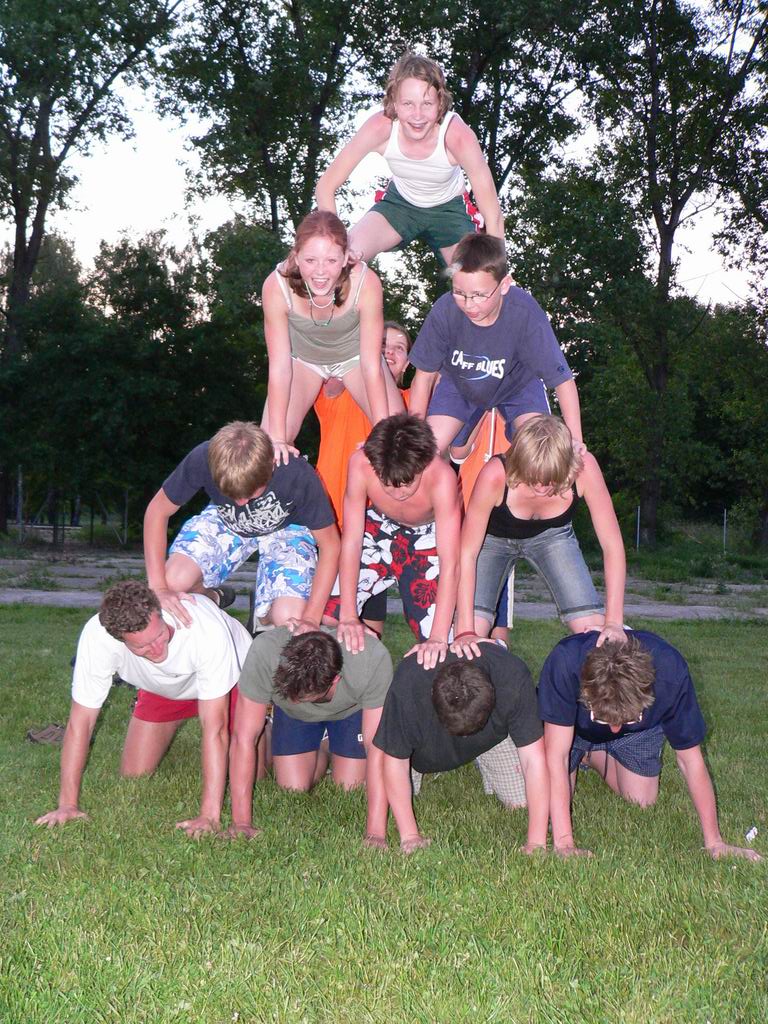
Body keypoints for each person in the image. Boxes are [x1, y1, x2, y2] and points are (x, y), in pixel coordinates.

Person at [35, 580, 253, 837]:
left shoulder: (204, 630)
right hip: (163, 687)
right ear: (119, 640)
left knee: (255, 770)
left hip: (232, 677)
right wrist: (67, 805)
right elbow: (80, 723)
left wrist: (209, 816)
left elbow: (215, 729)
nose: (158, 649)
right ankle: (209, 595)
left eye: (159, 635)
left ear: (160, 612)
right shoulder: (97, 638)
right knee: (133, 774)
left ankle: (209, 597)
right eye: (142, 646)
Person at [538, 630, 762, 861]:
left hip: (634, 734)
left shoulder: (670, 673)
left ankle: (592, 756)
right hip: (572, 732)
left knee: (642, 799)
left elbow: (690, 760)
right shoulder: (565, 662)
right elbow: (557, 756)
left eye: (626, 719)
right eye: (604, 720)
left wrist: (714, 842)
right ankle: (581, 752)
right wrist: (564, 844)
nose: (614, 728)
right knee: (548, 802)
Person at [143, 421, 340, 632]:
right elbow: (157, 511)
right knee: (173, 581)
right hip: (226, 520)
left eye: (250, 494)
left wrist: (311, 618)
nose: (241, 502)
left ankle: (264, 614)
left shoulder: (297, 474)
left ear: (271, 466)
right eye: (232, 494)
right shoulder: (203, 457)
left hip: (287, 529)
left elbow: (331, 546)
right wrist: (158, 588)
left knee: (289, 618)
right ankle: (212, 596)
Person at [454, 415, 626, 653]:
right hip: (492, 541)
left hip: (552, 537)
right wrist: (465, 632)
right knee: (470, 640)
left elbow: (612, 545)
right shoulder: (495, 474)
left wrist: (614, 622)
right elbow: (468, 553)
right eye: (533, 478)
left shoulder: (585, 468)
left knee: (596, 635)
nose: (542, 488)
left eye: (552, 480)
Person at [315, 52, 504, 267]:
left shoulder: (458, 137)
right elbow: (325, 187)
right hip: (399, 205)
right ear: (394, 103)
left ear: (440, 103)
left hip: (450, 210)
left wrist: (498, 269)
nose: (417, 115)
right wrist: (334, 245)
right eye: (407, 104)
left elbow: (493, 215)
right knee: (341, 262)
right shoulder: (380, 128)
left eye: (427, 103)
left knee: (475, 275)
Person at [407, 233, 583, 457]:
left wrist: (575, 439)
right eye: (459, 293)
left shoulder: (525, 312)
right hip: (460, 383)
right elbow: (423, 378)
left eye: (479, 295)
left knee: (538, 451)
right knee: (425, 453)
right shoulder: (445, 310)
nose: (469, 305)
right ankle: (471, 429)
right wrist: (413, 438)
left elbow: (562, 380)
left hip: (517, 385)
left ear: (504, 285)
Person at [373, 642, 550, 854]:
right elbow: (394, 759)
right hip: (421, 750)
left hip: (492, 741)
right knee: (388, 789)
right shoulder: (411, 680)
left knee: (521, 801)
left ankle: (483, 759)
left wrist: (536, 842)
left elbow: (534, 759)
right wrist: (410, 836)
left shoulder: (511, 675)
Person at [260, 210, 404, 467]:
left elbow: (371, 365)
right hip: (303, 361)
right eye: (310, 260)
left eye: (330, 260)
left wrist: (382, 432)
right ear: (296, 256)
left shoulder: (366, 283)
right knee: (268, 447)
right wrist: (279, 438)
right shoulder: (276, 286)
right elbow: (280, 368)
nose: (320, 272)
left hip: (355, 359)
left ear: (346, 257)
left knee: (397, 439)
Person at [228, 628, 392, 845]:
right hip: (294, 715)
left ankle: (329, 741)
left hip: (351, 711)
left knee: (349, 786)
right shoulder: (266, 650)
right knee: (293, 788)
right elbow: (243, 738)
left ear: (335, 679)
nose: (297, 699)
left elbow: (376, 748)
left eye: (303, 696)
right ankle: (291, 735)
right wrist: (241, 823)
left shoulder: (370, 659)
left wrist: (375, 833)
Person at [333, 413, 462, 669]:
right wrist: (347, 615)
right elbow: (352, 542)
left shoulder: (441, 477)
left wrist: (437, 638)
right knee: (329, 614)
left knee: (441, 641)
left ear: (424, 463)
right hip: (380, 527)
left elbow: (451, 563)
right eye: (387, 484)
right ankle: (351, 680)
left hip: (429, 537)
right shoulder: (360, 464)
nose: (398, 493)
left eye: (406, 483)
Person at [314, 321, 413, 636]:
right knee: (321, 622)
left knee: (369, 631)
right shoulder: (342, 390)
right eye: (382, 344)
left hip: (377, 531)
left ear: (408, 363)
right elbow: (331, 381)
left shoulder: (411, 402)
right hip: (329, 520)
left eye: (399, 348)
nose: (389, 352)